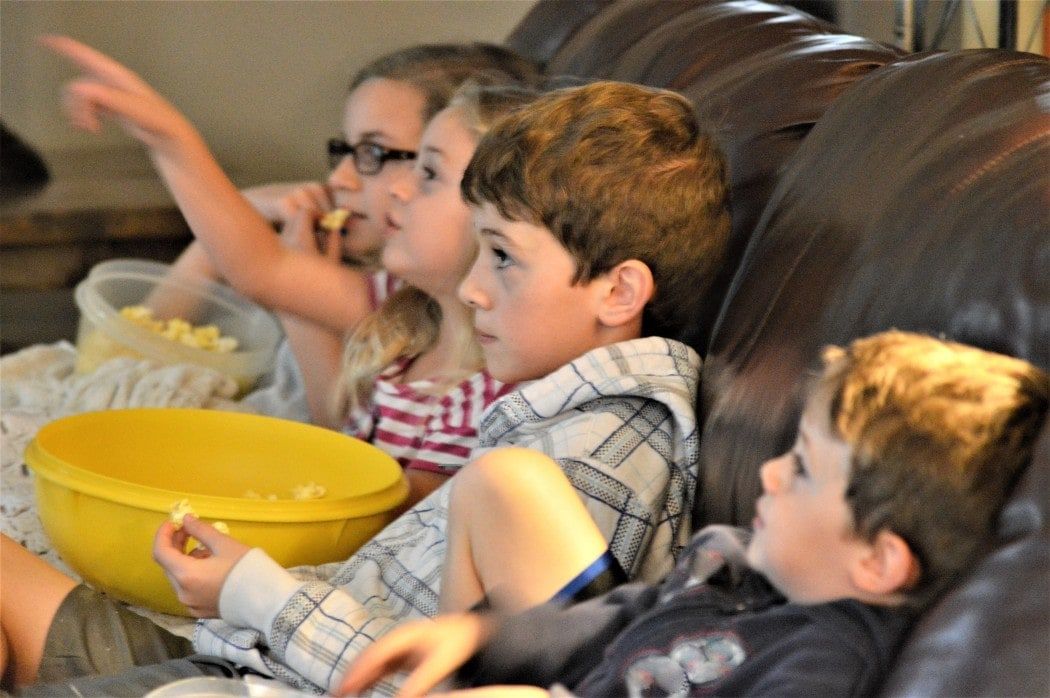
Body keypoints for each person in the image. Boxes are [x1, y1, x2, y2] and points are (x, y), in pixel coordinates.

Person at [0, 80, 730, 696]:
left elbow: (440, 685)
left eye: (503, 257)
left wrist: (253, 589)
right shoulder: (564, 419)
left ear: (619, 290)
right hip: (250, 655)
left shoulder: (597, 454)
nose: (474, 291)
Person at [340, 330, 1050, 697]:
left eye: (802, 469)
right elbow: (612, 621)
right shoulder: (731, 561)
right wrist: (478, 638)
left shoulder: (825, 661)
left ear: (877, 560)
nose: (769, 473)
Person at [42, 35, 539, 427]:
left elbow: (343, 440)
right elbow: (143, 345)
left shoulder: (473, 345)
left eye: (374, 153)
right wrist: (242, 211)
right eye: (343, 151)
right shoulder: (398, 294)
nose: (339, 179)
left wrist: (174, 141)